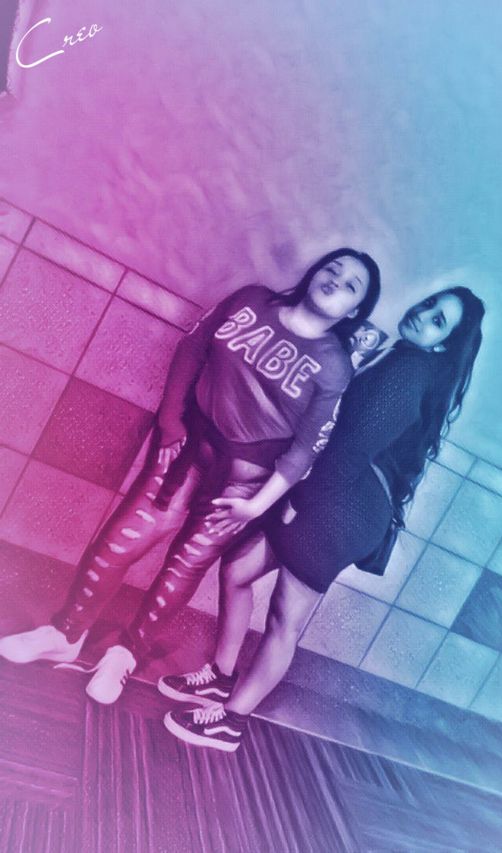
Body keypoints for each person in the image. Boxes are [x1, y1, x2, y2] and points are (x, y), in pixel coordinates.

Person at [0, 249, 381, 704]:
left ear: (354, 311)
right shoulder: (251, 300)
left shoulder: (335, 367)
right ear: (315, 272)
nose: (336, 280)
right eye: (332, 268)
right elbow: (191, 349)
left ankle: (124, 656)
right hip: (186, 448)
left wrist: (256, 506)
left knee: (184, 566)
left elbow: (306, 449)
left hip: (244, 483)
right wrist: (169, 421)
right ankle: (66, 634)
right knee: (123, 539)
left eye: (351, 285)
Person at [162, 286, 485, 752]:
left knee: (284, 619)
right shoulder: (403, 359)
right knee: (236, 571)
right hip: (339, 499)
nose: (424, 314)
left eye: (439, 322)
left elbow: (350, 449)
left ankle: (230, 722)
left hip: (339, 508)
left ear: (442, 345)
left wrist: (298, 502)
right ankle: (220, 676)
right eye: (430, 304)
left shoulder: (408, 371)